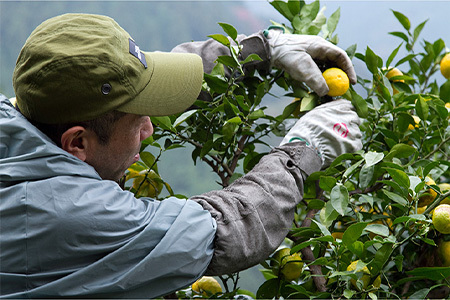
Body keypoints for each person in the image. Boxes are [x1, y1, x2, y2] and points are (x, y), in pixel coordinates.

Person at [0, 13, 362, 297]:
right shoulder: (70, 215)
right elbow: (226, 230)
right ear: (77, 143)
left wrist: (261, 50)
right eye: (139, 119)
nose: (150, 129)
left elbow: (129, 81)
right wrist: (305, 149)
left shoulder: (19, 114)